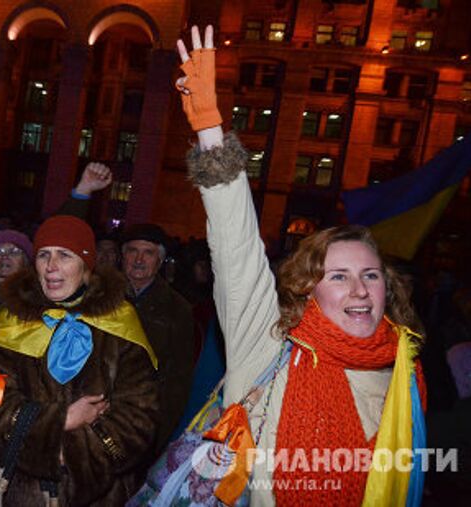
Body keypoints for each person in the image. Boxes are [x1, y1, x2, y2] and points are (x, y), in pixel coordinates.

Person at [173, 25, 427, 505]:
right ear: (309, 287)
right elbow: (238, 249)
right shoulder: (266, 349)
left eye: (370, 275)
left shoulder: (403, 369)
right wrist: (209, 128)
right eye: (339, 276)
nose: (358, 289)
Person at [0, 215, 159, 506]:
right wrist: (59, 422)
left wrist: (72, 459)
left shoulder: (121, 326)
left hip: (95, 495)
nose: (51, 266)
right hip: (10, 494)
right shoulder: (12, 323)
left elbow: (138, 420)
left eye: (64, 255)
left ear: (86, 266)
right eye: (44, 255)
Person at [121, 223, 196, 454]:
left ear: (160, 260)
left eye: (148, 253)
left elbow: (178, 381)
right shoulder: (102, 297)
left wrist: (156, 433)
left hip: (142, 419)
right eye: (133, 251)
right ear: (122, 256)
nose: (139, 259)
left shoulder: (178, 309)